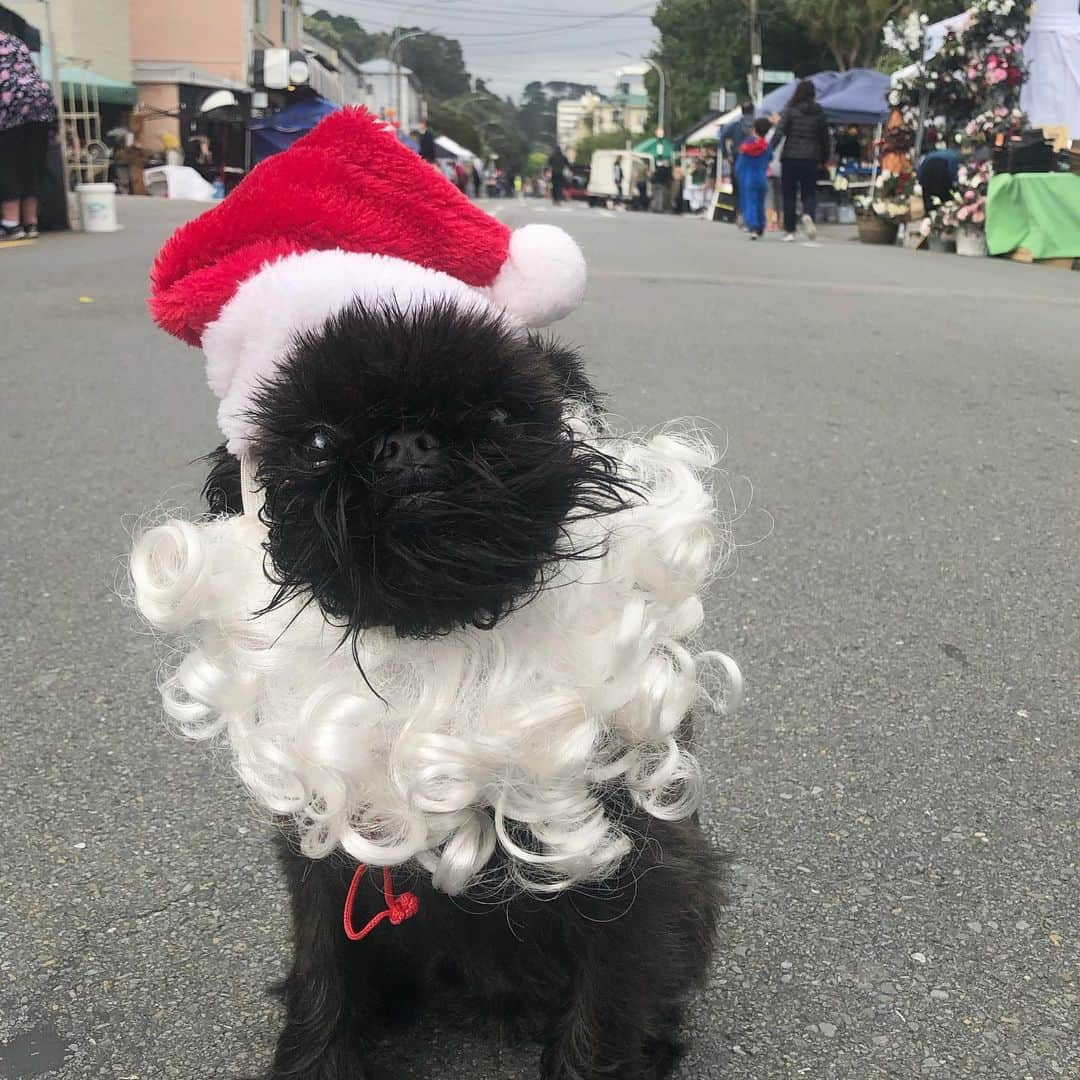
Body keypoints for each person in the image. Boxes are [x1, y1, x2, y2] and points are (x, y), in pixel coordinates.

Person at [0, 31, 57, 241]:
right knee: (32, 163)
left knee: (7, 163)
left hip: (10, 104)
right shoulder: (14, 39)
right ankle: (30, 222)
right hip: (40, 101)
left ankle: (11, 224)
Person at [773, 79, 831, 242]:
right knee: (809, 193)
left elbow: (779, 132)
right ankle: (808, 215)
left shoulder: (790, 110)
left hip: (790, 156)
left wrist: (769, 151)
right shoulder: (819, 112)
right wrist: (825, 157)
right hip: (811, 158)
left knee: (789, 194)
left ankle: (790, 230)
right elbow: (825, 138)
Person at [734, 117, 774, 240]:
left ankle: (753, 227)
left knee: (749, 202)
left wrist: (737, 173)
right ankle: (761, 225)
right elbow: (770, 158)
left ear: (754, 129)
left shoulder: (746, 145)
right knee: (760, 203)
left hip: (747, 177)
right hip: (761, 178)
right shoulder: (766, 146)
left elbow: (740, 163)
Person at [720, 101, 755, 225]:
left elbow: (722, 136)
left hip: (737, 159)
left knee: (738, 187)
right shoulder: (757, 124)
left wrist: (726, 154)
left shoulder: (736, 125)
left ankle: (739, 212)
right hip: (753, 159)